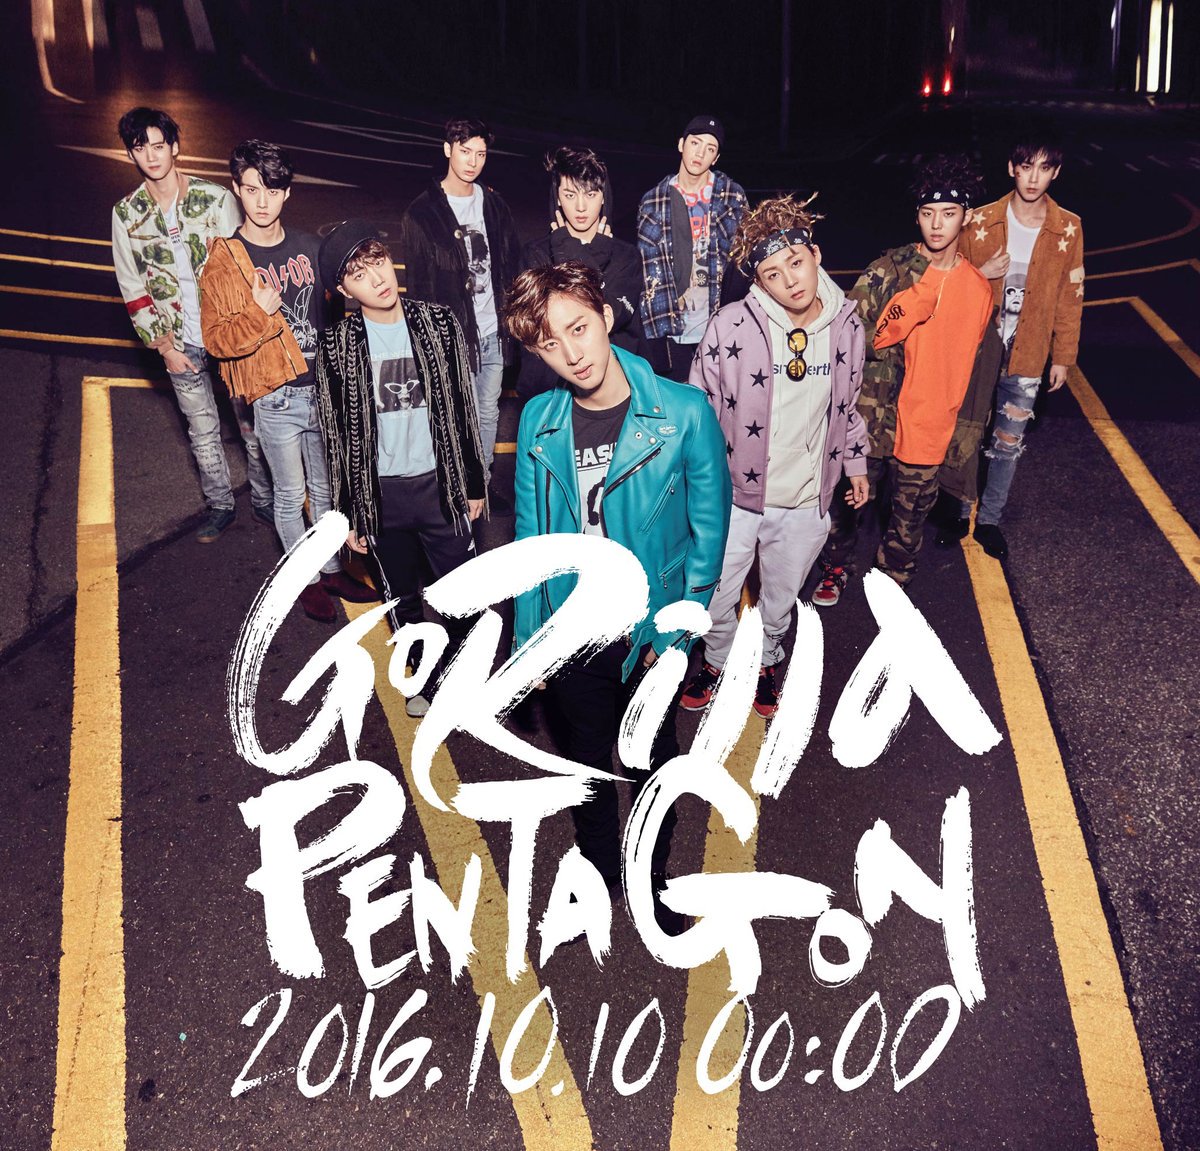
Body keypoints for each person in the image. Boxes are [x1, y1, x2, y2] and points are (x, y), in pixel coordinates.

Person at [506, 261, 730, 915]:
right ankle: (601, 871)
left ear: (605, 316)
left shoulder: (684, 413)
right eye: (550, 342)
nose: (572, 353)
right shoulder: (539, 419)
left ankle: (652, 880)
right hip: (572, 631)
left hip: (651, 633)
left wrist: (676, 635)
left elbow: (708, 536)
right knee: (585, 765)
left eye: (579, 328)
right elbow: (531, 541)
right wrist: (529, 642)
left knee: (653, 764)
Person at [681, 196, 870, 717]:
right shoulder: (730, 326)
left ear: (815, 254)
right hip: (735, 497)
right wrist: (691, 481)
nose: (790, 280)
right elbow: (697, 407)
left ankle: (766, 661)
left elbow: (848, 405)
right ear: (760, 283)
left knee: (781, 598)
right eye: (772, 274)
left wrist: (855, 462)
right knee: (717, 594)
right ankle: (717, 662)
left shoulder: (847, 326)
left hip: (806, 501)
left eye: (796, 262)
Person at [315, 221, 487, 717]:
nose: (377, 278)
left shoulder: (439, 323)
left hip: (441, 486)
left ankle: (462, 676)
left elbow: (464, 406)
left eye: (378, 261)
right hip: (382, 498)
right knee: (402, 601)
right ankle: (424, 677)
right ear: (344, 291)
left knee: (464, 595)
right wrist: (348, 514)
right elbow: (335, 435)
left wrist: (473, 481)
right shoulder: (337, 345)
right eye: (359, 274)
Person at [200, 140, 377, 622]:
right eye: (251, 189)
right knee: (288, 495)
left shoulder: (310, 247)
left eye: (272, 190)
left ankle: (332, 570)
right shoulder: (226, 261)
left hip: (322, 391)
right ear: (236, 189)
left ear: (287, 193)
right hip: (275, 398)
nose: (262, 201)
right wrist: (258, 314)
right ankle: (303, 580)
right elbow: (217, 341)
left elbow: (334, 320)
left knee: (326, 493)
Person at [815, 156, 996, 599]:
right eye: (928, 213)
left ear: (966, 217)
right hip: (874, 417)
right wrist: (906, 309)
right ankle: (835, 566)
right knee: (847, 503)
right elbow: (847, 338)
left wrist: (965, 432)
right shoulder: (890, 270)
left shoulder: (978, 289)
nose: (937, 224)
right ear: (917, 216)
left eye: (948, 213)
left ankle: (893, 582)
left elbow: (972, 367)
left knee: (910, 518)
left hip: (929, 425)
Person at [111, 106, 271, 542]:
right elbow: (132, 286)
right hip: (180, 342)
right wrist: (164, 347)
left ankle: (264, 499)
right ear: (130, 155)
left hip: (231, 338)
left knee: (252, 427)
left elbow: (244, 270)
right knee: (202, 432)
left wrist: (249, 333)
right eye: (140, 148)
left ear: (175, 147)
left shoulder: (215, 200)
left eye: (158, 145)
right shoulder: (126, 214)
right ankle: (220, 506)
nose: (151, 156)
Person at [955, 126, 1085, 559]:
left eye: (1044, 168)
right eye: (1026, 166)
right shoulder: (979, 221)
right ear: (1012, 167)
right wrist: (981, 274)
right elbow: (948, 279)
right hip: (977, 350)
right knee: (966, 433)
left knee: (1007, 443)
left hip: (1028, 353)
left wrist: (1063, 356)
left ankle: (989, 520)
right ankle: (958, 512)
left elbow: (1070, 296)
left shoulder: (1068, 228)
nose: (1033, 177)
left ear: (1056, 173)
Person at [396, 117, 522, 512]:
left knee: (487, 411)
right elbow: (419, 287)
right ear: (448, 149)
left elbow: (511, 265)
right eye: (465, 151)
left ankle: (479, 484)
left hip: (492, 331)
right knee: (453, 415)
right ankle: (453, 486)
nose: (472, 161)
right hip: (452, 336)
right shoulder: (422, 213)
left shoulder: (495, 205)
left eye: (480, 154)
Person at [517, 146, 646, 401]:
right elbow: (542, 326)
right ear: (557, 198)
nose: (580, 206)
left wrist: (570, 252)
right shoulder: (535, 254)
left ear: (603, 197)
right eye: (569, 194)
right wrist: (583, 253)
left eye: (590, 194)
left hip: (619, 386)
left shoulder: (626, 256)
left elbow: (609, 315)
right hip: (552, 391)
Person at [636, 115, 747, 382]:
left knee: (717, 401)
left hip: (719, 324)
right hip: (672, 327)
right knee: (676, 400)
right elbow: (649, 272)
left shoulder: (731, 195)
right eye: (695, 143)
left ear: (716, 158)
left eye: (710, 148)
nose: (700, 153)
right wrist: (656, 336)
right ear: (681, 144)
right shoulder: (654, 200)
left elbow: (741, 262)